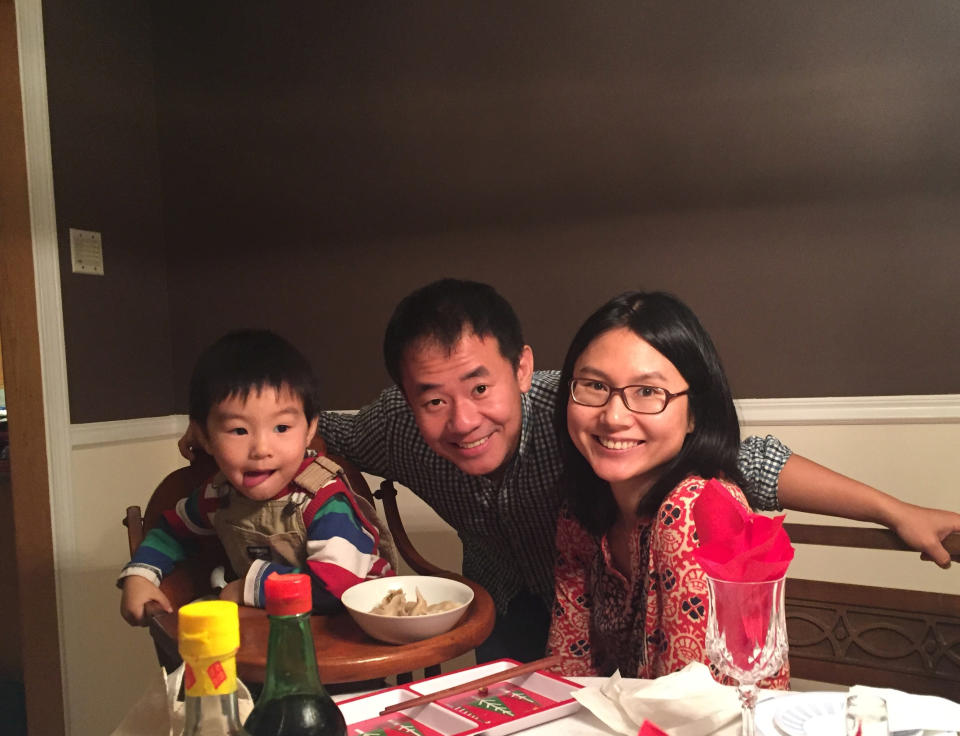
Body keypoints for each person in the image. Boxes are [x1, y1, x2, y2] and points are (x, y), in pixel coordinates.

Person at [177, 280, 960, 662]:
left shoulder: (584, 410)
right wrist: (213, 448)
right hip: (509, 610)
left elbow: (745, 461)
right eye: (433, 399)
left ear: (522, 369)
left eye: (479, 386)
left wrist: (896, 509)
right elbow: (304, 433)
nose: (462, 420)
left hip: (629, 606)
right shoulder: (391, 428)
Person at [546, 291, 788, 685]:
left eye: (647, 392)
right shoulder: (582, 508)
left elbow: (685, 702)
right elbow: (568, 666)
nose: (613, 416)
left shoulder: (694, 508)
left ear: (694, 414)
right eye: (594, 385)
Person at [120, 329, 395, 626]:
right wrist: (141, 573)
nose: (261, 450)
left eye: (282, 428)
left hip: (352, 633)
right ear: (205, 437)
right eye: (239, 430)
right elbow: (171, 530)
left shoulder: (325, 500)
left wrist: (247, 587)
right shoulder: (218, 496)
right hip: (273, 630)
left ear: (310, 430)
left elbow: (334, 589)